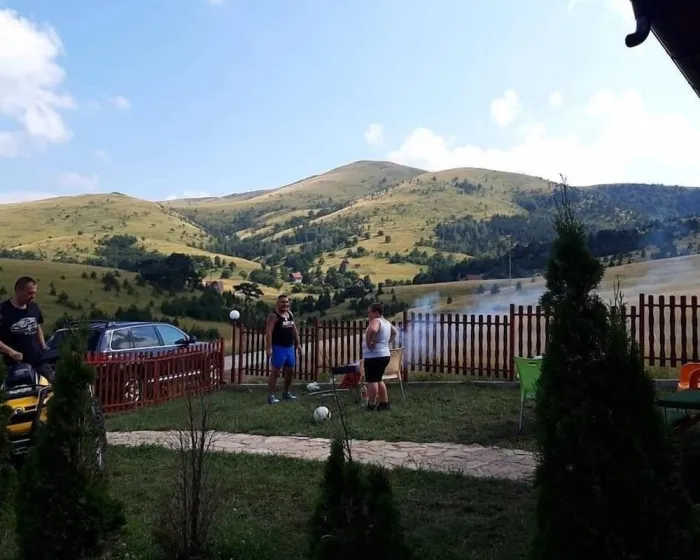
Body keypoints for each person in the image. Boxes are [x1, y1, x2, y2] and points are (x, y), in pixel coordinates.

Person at [0, 276, 52, 379]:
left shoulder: (34, 307)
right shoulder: (3, 310)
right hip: (16, 367)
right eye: (30, 293)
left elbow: (37, 327)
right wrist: (11, 352)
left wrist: (44, 347)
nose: (33, 296)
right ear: (18, 291)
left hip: (39, 362)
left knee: (52, 384)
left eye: (34, 293)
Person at [265, 294, 300, 404]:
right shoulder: (273, 316)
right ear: (277, 304)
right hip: (278, 347)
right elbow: (268, 332)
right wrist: (269, 348)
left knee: (290, 371)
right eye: (282, 302)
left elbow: (294, 330)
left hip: (289, 347)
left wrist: (298, 344)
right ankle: (271, 396)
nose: (285, 304)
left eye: (286, 302)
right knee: (275, 371)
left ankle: (286, 393)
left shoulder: (290, 314)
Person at [362, 302, 397, 411]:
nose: (368, 315)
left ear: (376, 312)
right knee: (378, 379)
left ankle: (371, 405)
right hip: (384, 355)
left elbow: (373, 330)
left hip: (374, 357)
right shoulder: (386, 322)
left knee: (372, 381)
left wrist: (368, 343)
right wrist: (386, 343)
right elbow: (395, 333)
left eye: (370, 312)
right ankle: (384, 403)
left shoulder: (376, 321)